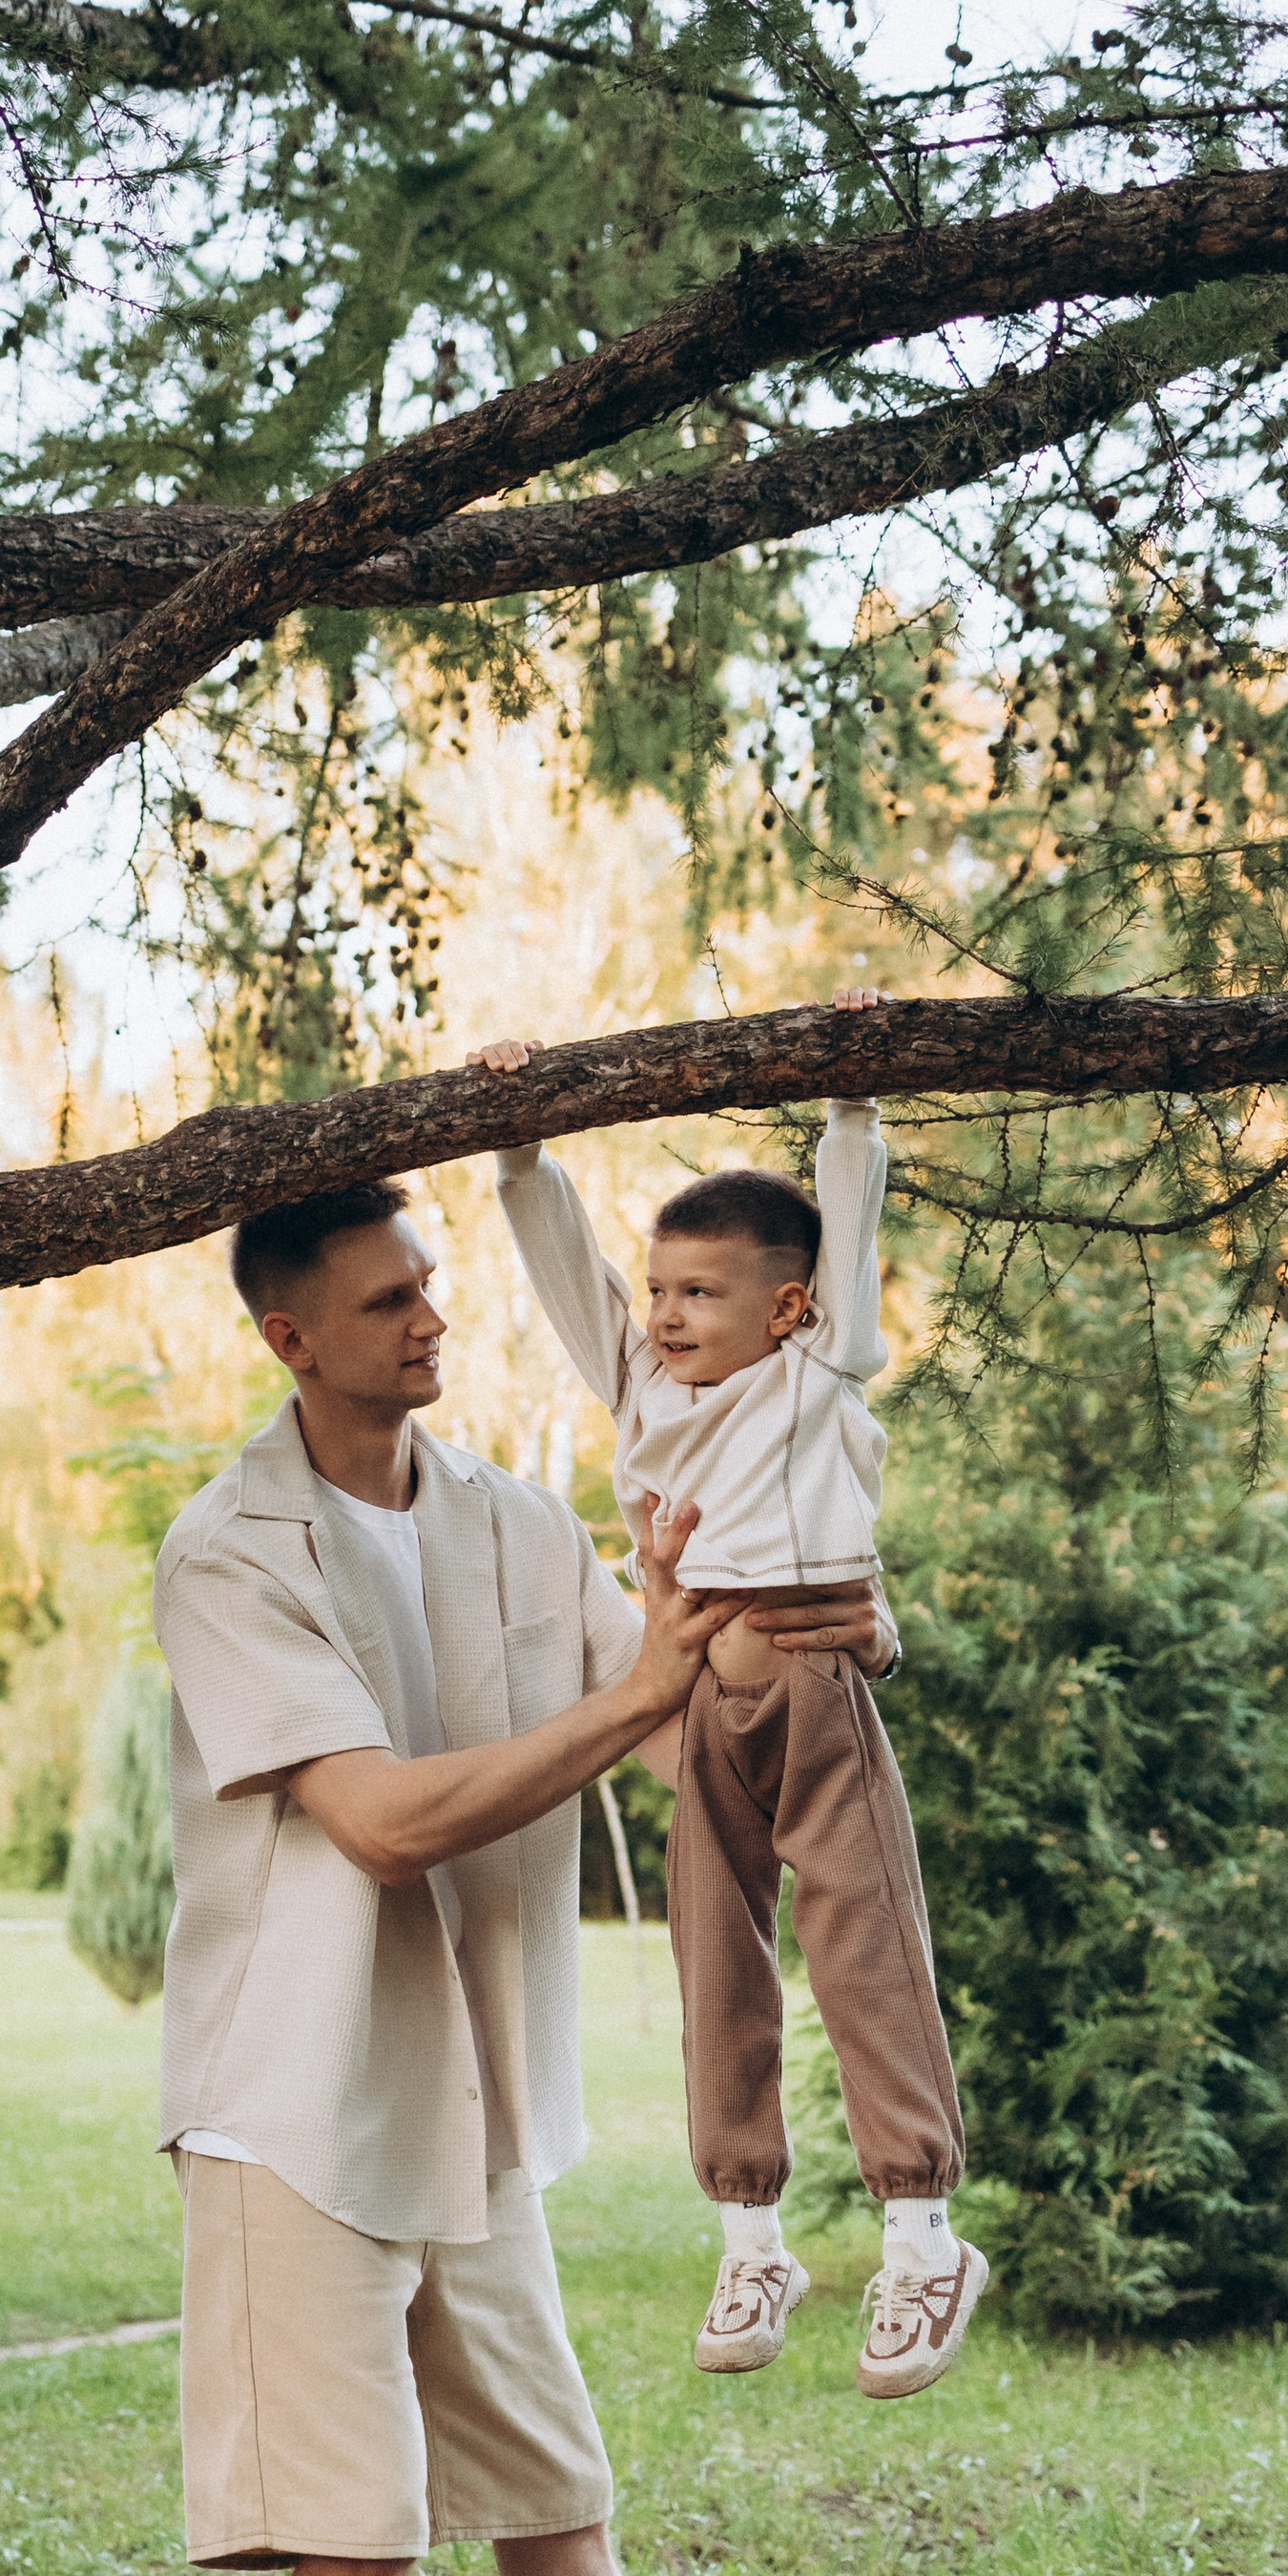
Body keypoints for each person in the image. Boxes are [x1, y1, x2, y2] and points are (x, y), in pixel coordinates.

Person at [153, 1176, 914, 2576]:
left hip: (469, 2116)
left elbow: (692, 1710)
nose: (430, 1323)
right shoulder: (227, 1549)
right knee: (357, 2541)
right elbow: (387, 1824)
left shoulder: (501, 1517)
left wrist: (804, 1623)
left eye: (429, 1291)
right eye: (387, 1301)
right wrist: (642, 1688)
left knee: (556, 2512)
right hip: (297, 2111)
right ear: (285, 1337)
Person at [471, 1019, 985, 2402]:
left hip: (816, 1707)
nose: (667, 1313)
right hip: (700, 1711)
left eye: (701, 1291)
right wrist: (520, 1146)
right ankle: (751, 2237)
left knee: (863, 1952)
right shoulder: (644, 1383)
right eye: (661, 1288)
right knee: (717, 1966)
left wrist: (854, 1107)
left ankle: (924, 2237)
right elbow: (566, 1277)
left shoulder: (819, 1374)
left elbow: (854, 1235)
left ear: (791, 1309)